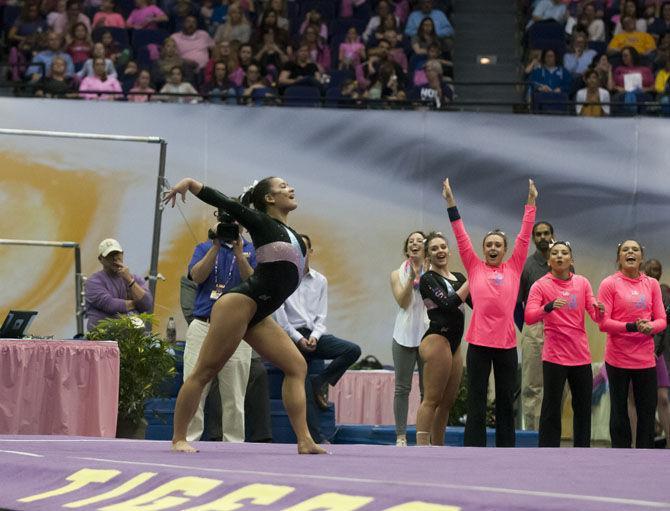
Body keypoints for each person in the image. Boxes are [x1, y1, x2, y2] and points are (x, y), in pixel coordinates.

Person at [163, 177, 326, 454]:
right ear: (269, 199)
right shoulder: (261, 223)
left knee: (297, 367)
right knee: (204, 372)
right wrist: (190, 184)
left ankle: (305, 440)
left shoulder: (294, 235)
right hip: (240, 304)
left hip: (259, 311)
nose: (291, 188)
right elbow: (224, 201)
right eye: (283, 186)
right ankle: (179, 437)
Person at [443, 178, 537, 447]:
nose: (493, 248)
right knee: (476, 398)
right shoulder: (473, 266)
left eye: (498, 245)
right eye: (489, 245)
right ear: (483, 249)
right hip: (479, 345)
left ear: (505, 251)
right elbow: (460, 234)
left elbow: (524, 234)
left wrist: (531, 203)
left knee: (506, 400)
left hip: (506, 344)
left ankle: (506, 449)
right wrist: (451, 202)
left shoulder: (514, 267)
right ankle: (474, 448)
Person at [274, 234, 361, 444]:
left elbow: (322, 316)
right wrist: (298, 338)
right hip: (291, 337)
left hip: (313, 336)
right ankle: (315, 438)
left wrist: (314, 336)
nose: (301, 253)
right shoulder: (281, 278)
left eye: (305, 249)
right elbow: (280, 317)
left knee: (352, 350)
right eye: (297, 249)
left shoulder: (320, 280)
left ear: (310, 252)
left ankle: (321, 380)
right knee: (301, 385)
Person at [183, 209, 256, 443]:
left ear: (244, 225)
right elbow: (196, 276)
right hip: (203, 324)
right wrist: (215, 246)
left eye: (236, 222)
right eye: (226, 222)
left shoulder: (252, 250)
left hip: (237, 329)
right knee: (193, 383)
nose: (231, 226)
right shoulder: (204, 248)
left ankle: (234, 443)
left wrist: (239, 253)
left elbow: (253, 282)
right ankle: (188, 438)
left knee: (234, 392)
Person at [525, 241, 603, 447]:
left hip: (580, 356)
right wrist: (548, 307)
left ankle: (582, 450)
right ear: (549, 261)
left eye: (564, 253)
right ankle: (548, 450)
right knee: (551, 407)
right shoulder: (540, 285)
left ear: (572, 260)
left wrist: (600, 311)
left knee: (583, 407)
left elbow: (595, 315)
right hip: (554, 356)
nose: (559, 256)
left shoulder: (582, 283)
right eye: (555, 253)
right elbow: (529, 316)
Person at [597, 240, 667, 448]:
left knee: (647, 411)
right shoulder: (609, 284)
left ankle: (646, 454)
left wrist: (650, 327)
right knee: (619, 411)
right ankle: (621, 454)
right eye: (625, 250)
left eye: (634, 249)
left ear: (641, 257)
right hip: (617, 358)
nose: (630, 252)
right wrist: (631, 327)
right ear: (619, 258)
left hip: (645, 359)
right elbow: (603, 323)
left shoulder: (652, 284)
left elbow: (661, 320)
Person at [416, 231, 469, 446]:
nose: (440, 251)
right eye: (434, 249)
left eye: (442, 247)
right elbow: (447, 304)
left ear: (449, 250)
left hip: (455, 344)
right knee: (432, 398)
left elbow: (480, 303)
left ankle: (438, 446)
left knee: (447, 401)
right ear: (428, 256)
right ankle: (420, 446)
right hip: (437, 339)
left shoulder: (459, 277)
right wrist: (473, 278)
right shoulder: (428, 278)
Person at [390, 230, 428, 447]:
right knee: (402, 388)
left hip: (428, 335)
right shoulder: (397, 274)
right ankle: (401, 435)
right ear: (407, 250)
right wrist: (412, 277)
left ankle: (424, 435)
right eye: (411, 242)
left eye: (419, 241)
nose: (415, 244)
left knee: (427, 390)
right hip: (403, 335)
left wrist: (423, 275)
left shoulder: (433, 272)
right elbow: (403, 303)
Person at [626, 259, 670, 447]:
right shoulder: (634, 288)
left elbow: (662, 324)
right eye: (651, 268)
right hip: (631, 349)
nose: (654, 271)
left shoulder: (664, 291)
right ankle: (637, 444)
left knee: (663, 398)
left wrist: (655, 350)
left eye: (658, 268)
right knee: (633, 399)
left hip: (655, 352)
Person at [516, 221, 554, 431]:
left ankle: (551, 432)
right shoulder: (527, 265)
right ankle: (532, 433)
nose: (542, 237)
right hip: (534, 329)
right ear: (533, 238)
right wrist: (527, 328)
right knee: (532, 385)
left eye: (546, 233)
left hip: (560, 331)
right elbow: (516, 304)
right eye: (538, 234)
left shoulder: (565, 263)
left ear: (552, 235)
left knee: (557, 385)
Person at [84, 238, 153, 331]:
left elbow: (147, 303)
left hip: (132, 337)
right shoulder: (93, 282)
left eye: (117, 254)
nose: (115, 258)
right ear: (101, 259)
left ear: (122, 254)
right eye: (110, 255)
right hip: (102, 337)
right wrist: (137, 303)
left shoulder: (134, 279)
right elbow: (111, 305)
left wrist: (129, 280)